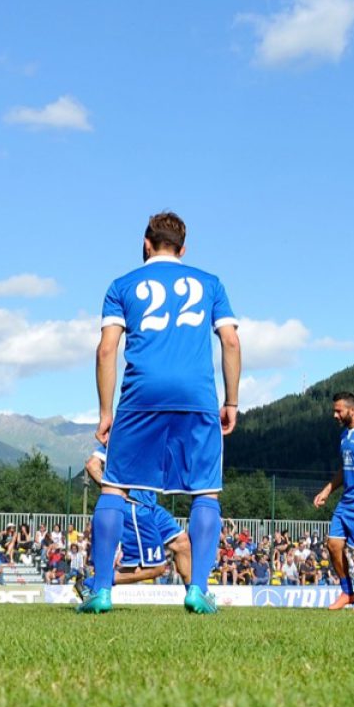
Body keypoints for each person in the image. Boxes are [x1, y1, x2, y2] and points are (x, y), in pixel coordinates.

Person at [80, 210, 241, 615]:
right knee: (205, 490)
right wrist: (232, 401)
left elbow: (105, 350)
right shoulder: (210, 283)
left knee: (115, 486)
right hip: (197, 396)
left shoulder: (122, 285)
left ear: (146, 244)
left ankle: (100, 591)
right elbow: (231, 343)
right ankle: (198, 590)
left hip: (140, 395)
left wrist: (105, 411)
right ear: (183, 249)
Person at [84, 442, 191, 590]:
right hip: (134, 506)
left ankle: (195, 595)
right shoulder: (123, 437)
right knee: (157, 568)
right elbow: (92, 465)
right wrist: (113, 492)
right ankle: (96, 583)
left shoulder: (154, 437)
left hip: (151, 505)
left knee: (182, 543)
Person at [312, 392, 354, 610]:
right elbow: (345, 468)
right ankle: (347, 593)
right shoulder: (344, 436)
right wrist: (327, 490)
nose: (335, 414)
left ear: (352, 410)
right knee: (332, 544)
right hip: (345, 501)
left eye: (338, 410)